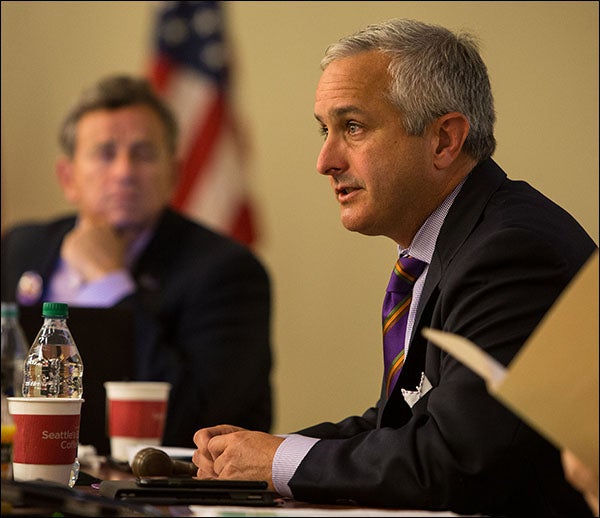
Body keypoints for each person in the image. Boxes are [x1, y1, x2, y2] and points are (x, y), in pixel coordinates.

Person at [191, 18, 598, 517]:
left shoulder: (511, 252)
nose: (325, 160)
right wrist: (261, 450)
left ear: (445, 140)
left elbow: (457, 459)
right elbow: (404, 424)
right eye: (325, 129)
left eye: (352, 127)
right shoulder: (456, 242)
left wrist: (280, 460)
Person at [0, 75, 273, 451]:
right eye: (105, 153)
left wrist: (111, 283)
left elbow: (195, 421)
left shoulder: (227, 272)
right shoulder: (21, 247)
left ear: (173, 175)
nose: (125, 172)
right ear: (68, 178)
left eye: (143, 154)